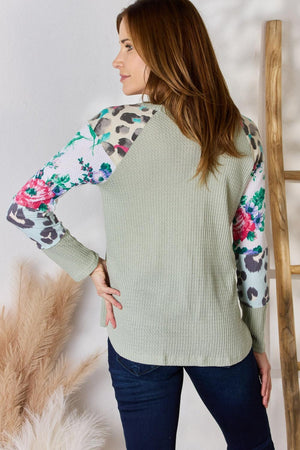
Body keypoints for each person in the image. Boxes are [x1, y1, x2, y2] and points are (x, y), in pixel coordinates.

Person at [7, 0, 275, 448]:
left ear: (166, 49)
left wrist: (88, 265)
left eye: (129, 46)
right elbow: (251, 249)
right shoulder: (241, 133)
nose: (117, 59)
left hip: (137, 338)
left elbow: (26, 205)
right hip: (222, 339)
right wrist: (259, 341)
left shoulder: (113, 132)